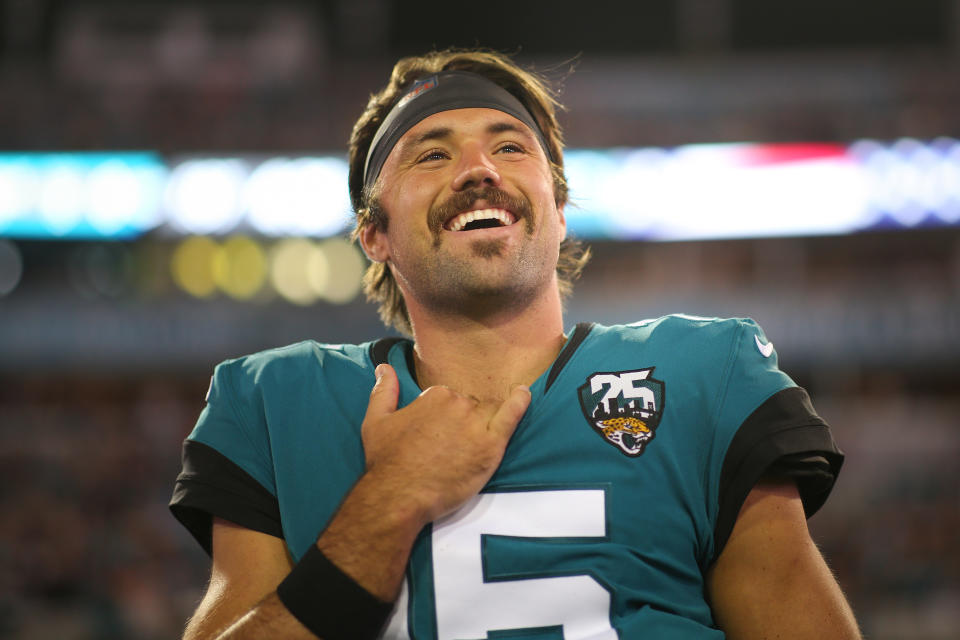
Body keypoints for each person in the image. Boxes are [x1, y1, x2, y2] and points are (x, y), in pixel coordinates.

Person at [169, 49, 862, 640]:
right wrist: (387, 502)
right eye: (432, 154)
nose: (479, 169)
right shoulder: (274, 401)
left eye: (509, 146)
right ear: (374, 234)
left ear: (559, 211)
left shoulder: (706, 376)